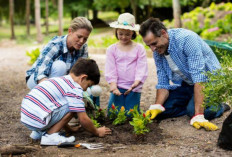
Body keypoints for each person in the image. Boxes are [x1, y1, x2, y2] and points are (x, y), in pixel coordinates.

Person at [139, 17, 230, 131]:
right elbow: (162, 81)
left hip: (210, 81)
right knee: (162, 111)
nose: (152, 49)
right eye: (149, 46)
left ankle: (220, 106)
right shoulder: (158, 51)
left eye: (154, 43)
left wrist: (198, 115)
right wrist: (157, 106)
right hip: (188, 83)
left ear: (163, 33)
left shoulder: (187, 39)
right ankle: (192, 102)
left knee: (195, 112)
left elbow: (199, 77)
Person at [21, 58, 111, 145]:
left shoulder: (59, 80)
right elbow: (83, 119)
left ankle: (38, 133)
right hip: (37, 120)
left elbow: (57, 110)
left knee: (58, 105)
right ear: (83, 78)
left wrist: (69, 129)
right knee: (75, 106)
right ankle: (50, 136)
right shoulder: (75, 88)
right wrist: (97, 131)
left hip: (27, 117)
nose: (86, 89)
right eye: (88, 85)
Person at [105, 13, 148, 113]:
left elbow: (142, 67)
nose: (124, 37)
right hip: (118, 87)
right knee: (113, 113)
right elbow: (111, 69)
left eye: (127, 34)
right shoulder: (112, 49)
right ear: (116, 32)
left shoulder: (139, 48)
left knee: (131, 114)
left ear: (133, 33)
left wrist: (136, 83)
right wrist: (113, 86)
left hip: (133, 87)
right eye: (121, 34)